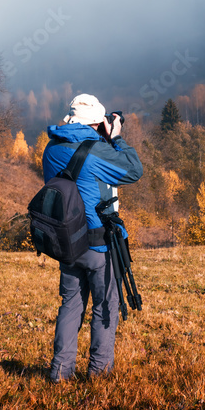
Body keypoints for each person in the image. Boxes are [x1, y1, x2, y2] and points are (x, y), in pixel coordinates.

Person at [41, 93, 143, 382]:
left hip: (67, 240)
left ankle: (60, 373)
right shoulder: (97, 150)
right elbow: (133, 170)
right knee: (105, 305)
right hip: (99, 242)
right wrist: (117, 138)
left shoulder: (51, 148)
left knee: (71, 304)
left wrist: (102, 138)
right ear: (97, 123)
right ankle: (99, 374)